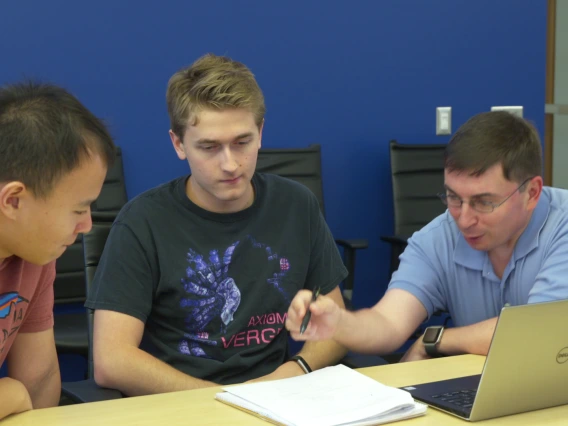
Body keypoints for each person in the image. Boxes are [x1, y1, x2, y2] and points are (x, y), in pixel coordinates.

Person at [86, 53, 348, 397]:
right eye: (209, 147)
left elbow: (336, 325)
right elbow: (112, 360)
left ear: (261, 133)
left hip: (277, 398)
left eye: (242, 142)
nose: (230, 164)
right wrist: (218, 400)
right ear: (178, 144)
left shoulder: (296, 205)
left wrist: (294, 370)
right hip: (179, 404)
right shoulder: (142, 223)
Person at [286, 111, 568, 362]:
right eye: (453, 197)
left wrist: (436, 340)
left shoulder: (562, 224)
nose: (464, 219)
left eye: (484, 202)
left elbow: (538, 334)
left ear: (531, 193)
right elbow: (388, 323)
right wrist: (339, 323)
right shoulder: (436, 238)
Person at [0, 82, 115, 420]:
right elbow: (22, 392)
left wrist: (17, 394)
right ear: (13, 200)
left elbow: (37, 382)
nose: (87, 226)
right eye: (79, 210)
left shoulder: (34, 253)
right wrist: (13, 392)